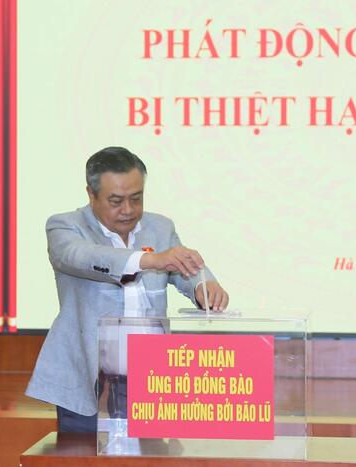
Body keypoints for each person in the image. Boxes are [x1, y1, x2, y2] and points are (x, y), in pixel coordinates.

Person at [26, 147, 229, 433]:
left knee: (151, 452)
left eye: (136, 198)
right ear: (91, 194)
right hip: (88, 374)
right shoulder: (65, 226)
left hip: (149, 374)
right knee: (80, 452)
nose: (128, 210)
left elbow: (184, 265)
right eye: (116, 201)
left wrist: (203, 284)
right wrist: (149, 260)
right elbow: (81, 257)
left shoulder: (160, 227)